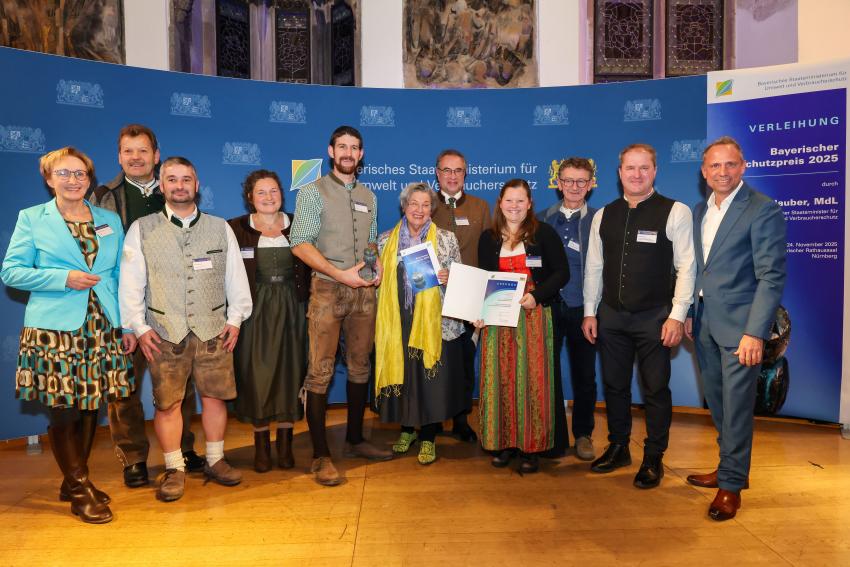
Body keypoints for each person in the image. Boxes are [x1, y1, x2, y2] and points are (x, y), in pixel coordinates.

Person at [1, 147, 135, 523]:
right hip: (53, 329)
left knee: (92, 402)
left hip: (102, 324)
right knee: (63, 407)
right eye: (64, 173)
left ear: (90, 178)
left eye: (80, 173)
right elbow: (11, 272)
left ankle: (74, 478)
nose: (73, 180)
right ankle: (79, 488)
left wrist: (125, 323)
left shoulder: (109, 218)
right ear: (49, 179)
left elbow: (119, 277)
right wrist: (63, 278)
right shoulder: (32, 219)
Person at [119, 156, 252, 502]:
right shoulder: (141, 229)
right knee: (167, 404)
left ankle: (215, 459)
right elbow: (131, 283)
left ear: (197, 185)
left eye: (187, 179)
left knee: (215, 398)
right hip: (164, 331)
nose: (180, 186)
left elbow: (235, 277)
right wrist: (138, 325)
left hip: (213, 330)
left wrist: (235, 318)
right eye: (172, 180)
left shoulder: (220, 227)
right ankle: (174, 467)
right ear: (161, 186)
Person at [92, 123, 203, 488]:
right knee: (122, 387)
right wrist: (126, 320)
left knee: (179, 385)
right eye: (128, 151)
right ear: (119, 156)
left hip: (171, 309)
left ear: (156, 156)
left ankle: (183, 450)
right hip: (120, 310)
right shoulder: (102, 196)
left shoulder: (175, 189)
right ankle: (134, 459)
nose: (135, 157)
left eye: (143, 151)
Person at [582, 143, 696, 489]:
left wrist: (677, 315)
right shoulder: (603, 215)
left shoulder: (675, 211)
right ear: (619, 174)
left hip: (655, 317)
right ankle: (618, 446)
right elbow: (594, 267)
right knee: (614, 386)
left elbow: (687, 266)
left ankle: (653, 457)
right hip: (612, 317)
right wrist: (590, 311)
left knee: (655, 390)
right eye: (630, 168)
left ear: (654, 171)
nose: (636, 174)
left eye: (644, 168)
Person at [684, 137, 786, 521]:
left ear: (743, 166)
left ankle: (731, 486)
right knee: (720, 404)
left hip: (742, 330)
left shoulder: (762, 210)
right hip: (706, 323)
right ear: (703, 170)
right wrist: (693, 313)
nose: (722, 172)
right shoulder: (700, 210)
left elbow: (771, 277)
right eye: (714, 166)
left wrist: (755, 332)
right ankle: (725, 466)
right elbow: (702, 270)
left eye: (730, 165)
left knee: (739, 408)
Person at [290, 125, 392, 487]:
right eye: (342, 147)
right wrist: (338, 273)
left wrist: (375, 261)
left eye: (355, 148)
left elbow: (370, 240)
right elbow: (300, 243)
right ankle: (321, 455)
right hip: (328, 291)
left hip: (364, 292)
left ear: (361, 155)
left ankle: (355, 439)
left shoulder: (369, 194)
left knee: (361, 364)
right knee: (319, 370)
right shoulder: (312, 192)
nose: (348, 153)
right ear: (331, 152)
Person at [475, 179, 569, 473]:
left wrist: (537, 295)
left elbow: (561, 273)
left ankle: (531, 447)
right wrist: (478, 312)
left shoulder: (544, 235)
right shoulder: (487, 239)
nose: (514, 206)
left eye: (520, 201)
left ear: (529, 204)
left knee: (532, 381)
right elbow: (483, 281)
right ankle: (504, 444)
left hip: (534, 317)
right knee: (501, 380)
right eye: (509, 200)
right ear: (499, 203)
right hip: (498, 321)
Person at [374, 183, 465, 465]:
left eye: (426, 205)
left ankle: (427, 436)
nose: (419, 210)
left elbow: (460, 281)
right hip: (397, 320)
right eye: (414, 203)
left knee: (429, 380)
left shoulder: (446, 239)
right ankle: (405, 429)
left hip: (433, 322)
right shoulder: (384, 240)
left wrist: (450, 276)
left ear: (432, 209)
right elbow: (378, 285)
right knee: (404, 376)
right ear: (404, 206)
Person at [228, 170, 310, 472]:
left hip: (292, 306)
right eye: (261, 192)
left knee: (290, 371)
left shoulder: (298, 224)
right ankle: (261, 446)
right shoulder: (235, 228)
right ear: (250, 196)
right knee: (257, 375)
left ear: (282, 194)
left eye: (273, 191)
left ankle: (286, 444)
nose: (268, 197)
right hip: (254, 308)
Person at [538, 157, 599, 461]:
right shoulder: (540, 219)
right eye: (568, 181)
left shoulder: (601, 219)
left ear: (590, 185)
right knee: (546, 373)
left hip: (583, 309)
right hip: (547, 307)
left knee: (584, 375)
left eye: (581, 181)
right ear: (558, 183)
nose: (574, 187)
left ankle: (584, 434)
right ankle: (550, 433)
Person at [430, 149, 491, 442]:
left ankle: (461, 419)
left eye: (458, 171)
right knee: (434, 360)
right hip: (433, 297)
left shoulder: (480, 207)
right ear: (437, 173)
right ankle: (431, 419)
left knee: (465, 361)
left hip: (470, 298)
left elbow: (490, 253)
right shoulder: (425, 205)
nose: (452, 176)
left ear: (465, 174)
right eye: (446, 170)